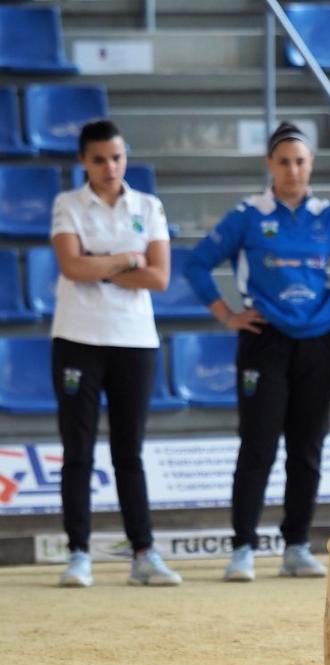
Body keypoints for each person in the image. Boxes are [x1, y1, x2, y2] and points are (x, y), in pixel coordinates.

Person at [184, 122, 330, 582]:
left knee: (308, 448)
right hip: (264, 341)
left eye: (301, 161)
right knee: (258, 445)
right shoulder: (249, 214)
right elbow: (197, 262)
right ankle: (242, 546)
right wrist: (227, 314)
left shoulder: (329, 217)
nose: (293, 170)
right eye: (284, 161)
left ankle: (296, 545)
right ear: (269, 165)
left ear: (311, 164)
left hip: (319, 344)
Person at [51, 120, 181, 588]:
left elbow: (160, 278)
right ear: (84, 161)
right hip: (76, 338)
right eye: (100, 159)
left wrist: (97, 266)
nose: (110, 167)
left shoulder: (148, 205)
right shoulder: (67, 204)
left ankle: (143, 554)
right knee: (77, 451)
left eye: (117, 157)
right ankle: (78, 553)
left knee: (130, 451)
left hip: (134, 340)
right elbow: (70, 265)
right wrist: (128, 260)